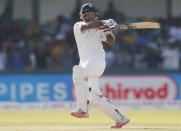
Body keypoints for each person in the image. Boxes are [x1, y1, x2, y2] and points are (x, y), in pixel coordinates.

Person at [71, 3, 129, 128]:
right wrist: (106, 22)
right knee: (94, 97)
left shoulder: (100, 28)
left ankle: (82, 110)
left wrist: (108, 31)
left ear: (95, 14)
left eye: (92, 13)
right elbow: (90, 25)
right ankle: (121, 119)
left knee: (78, 72)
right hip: (86, 63)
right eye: (87, 13)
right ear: (83, 15)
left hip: (96, 61)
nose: (90, 15)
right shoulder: (78, 26)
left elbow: (111, 42)